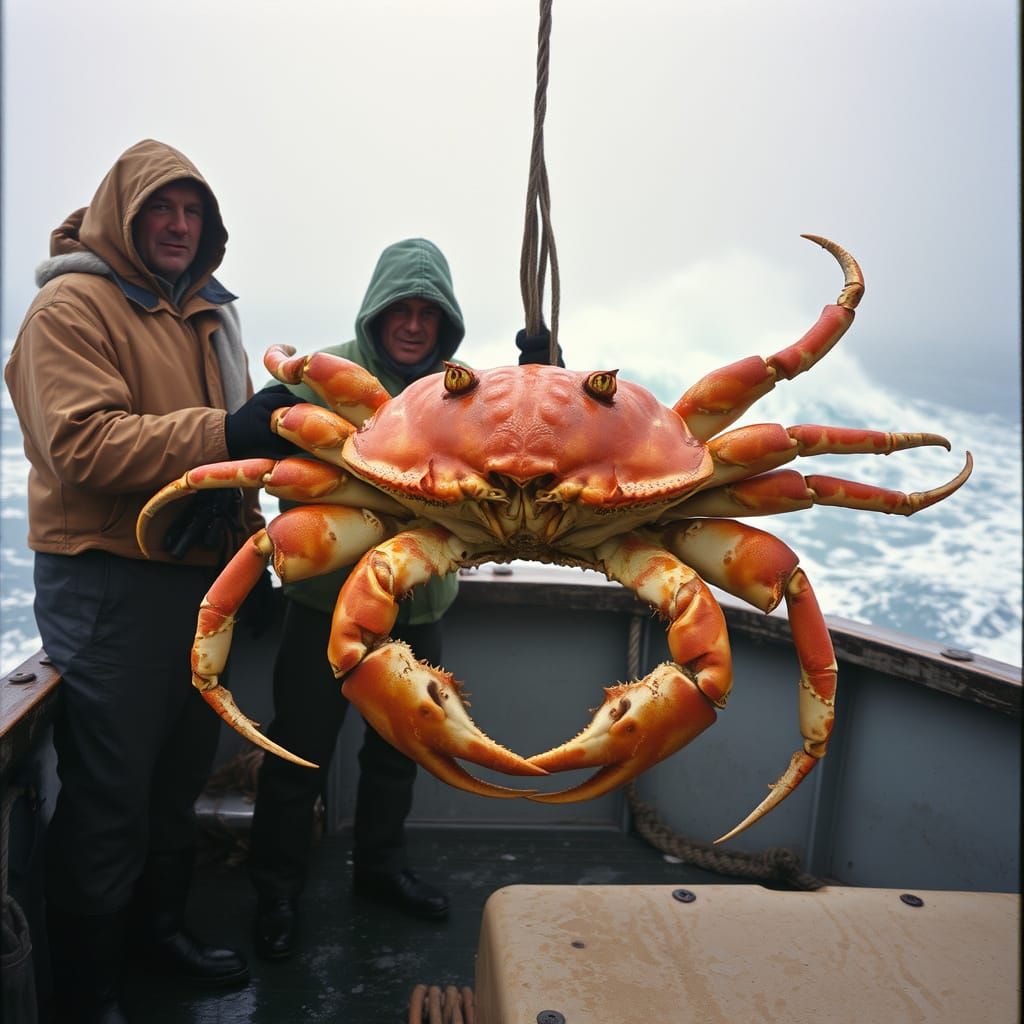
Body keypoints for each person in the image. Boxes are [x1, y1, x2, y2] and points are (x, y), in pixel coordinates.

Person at [3, 139, 299, 1022]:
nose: (178, 226)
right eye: (160, 210)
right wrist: (224, 431)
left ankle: (157, 928)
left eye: (192, 211)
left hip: (198, 581)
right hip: (108, 584)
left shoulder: (207, 313)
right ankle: (90, 986)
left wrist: (254, 564)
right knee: (111, 789)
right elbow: (82, 444)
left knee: (180, 773)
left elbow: (239, 460)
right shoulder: (71, 308)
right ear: (123, 219)